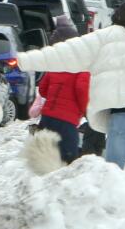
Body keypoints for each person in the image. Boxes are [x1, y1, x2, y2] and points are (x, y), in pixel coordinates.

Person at [16, 0, 125, 176]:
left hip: (124, 116)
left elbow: (70, 52)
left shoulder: (113, 34)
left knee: (113, 175)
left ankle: (113, 203)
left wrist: (25, 60)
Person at [34, 24, 91, 164]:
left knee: (45, 155)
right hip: (67, 121)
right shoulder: (82, 65)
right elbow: (81, 89)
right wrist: (85, 110)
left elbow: (42, 89)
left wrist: (55, 95)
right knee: (68, 158)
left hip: (47, 117)